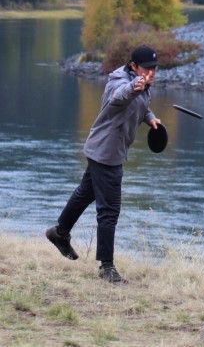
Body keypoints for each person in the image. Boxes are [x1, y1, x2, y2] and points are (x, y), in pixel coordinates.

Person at [46, 44, 162, 283]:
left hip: (103, 148)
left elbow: (141, 107)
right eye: (147, 68)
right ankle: (106, 267)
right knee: (109, 211)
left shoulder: (142, 82)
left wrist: (150, 119)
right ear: (133, 66)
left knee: (85, 193)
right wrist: (133, 87)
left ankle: (59, 233)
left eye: (154, 68)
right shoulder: (119, 82)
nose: (151, 72)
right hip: (107, 153)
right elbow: (118, 98)